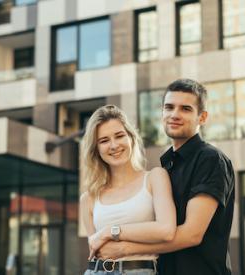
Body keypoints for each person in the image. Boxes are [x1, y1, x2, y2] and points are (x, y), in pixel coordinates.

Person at [95, 79, 235, 275]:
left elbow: (192, 234)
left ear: (202, 117)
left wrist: (123, 248)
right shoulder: (168, 165)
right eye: (169, 107)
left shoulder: (210, 159)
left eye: (185, 109)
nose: (174, 115)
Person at [80, 105, 177, 275]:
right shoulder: (88, 198)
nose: (114, 145)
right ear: (96, 149)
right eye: (104, 141)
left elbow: (166, 230)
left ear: (131, 138)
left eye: (119, 136)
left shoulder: (155, 178)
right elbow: (97, 249)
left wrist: (110, 231)